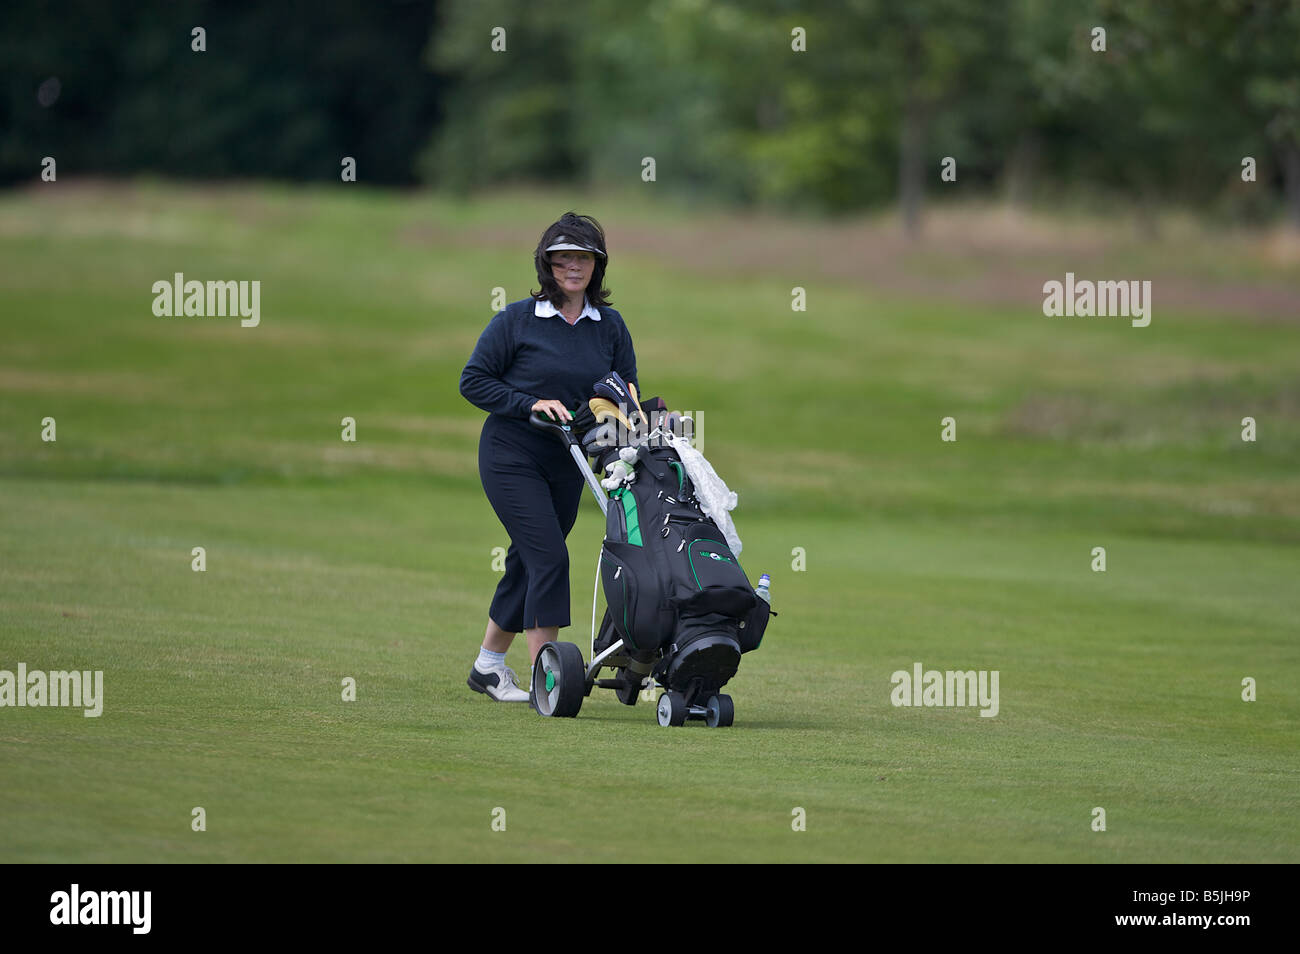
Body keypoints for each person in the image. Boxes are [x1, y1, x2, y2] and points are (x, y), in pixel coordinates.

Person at [459, 212, 640, 702]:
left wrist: (635, 419)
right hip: (511, 454)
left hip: (571, 463)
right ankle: (550, 679)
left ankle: (488, 665)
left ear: (596, 266)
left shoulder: (610, 326)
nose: (573, 266)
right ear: (547, 263)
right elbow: (473, 381)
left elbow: (624, 392)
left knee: (528, 560)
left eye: (583, 257)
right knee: (549, 558)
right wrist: (530, 404)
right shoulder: (516, 320)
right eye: (563, 257)